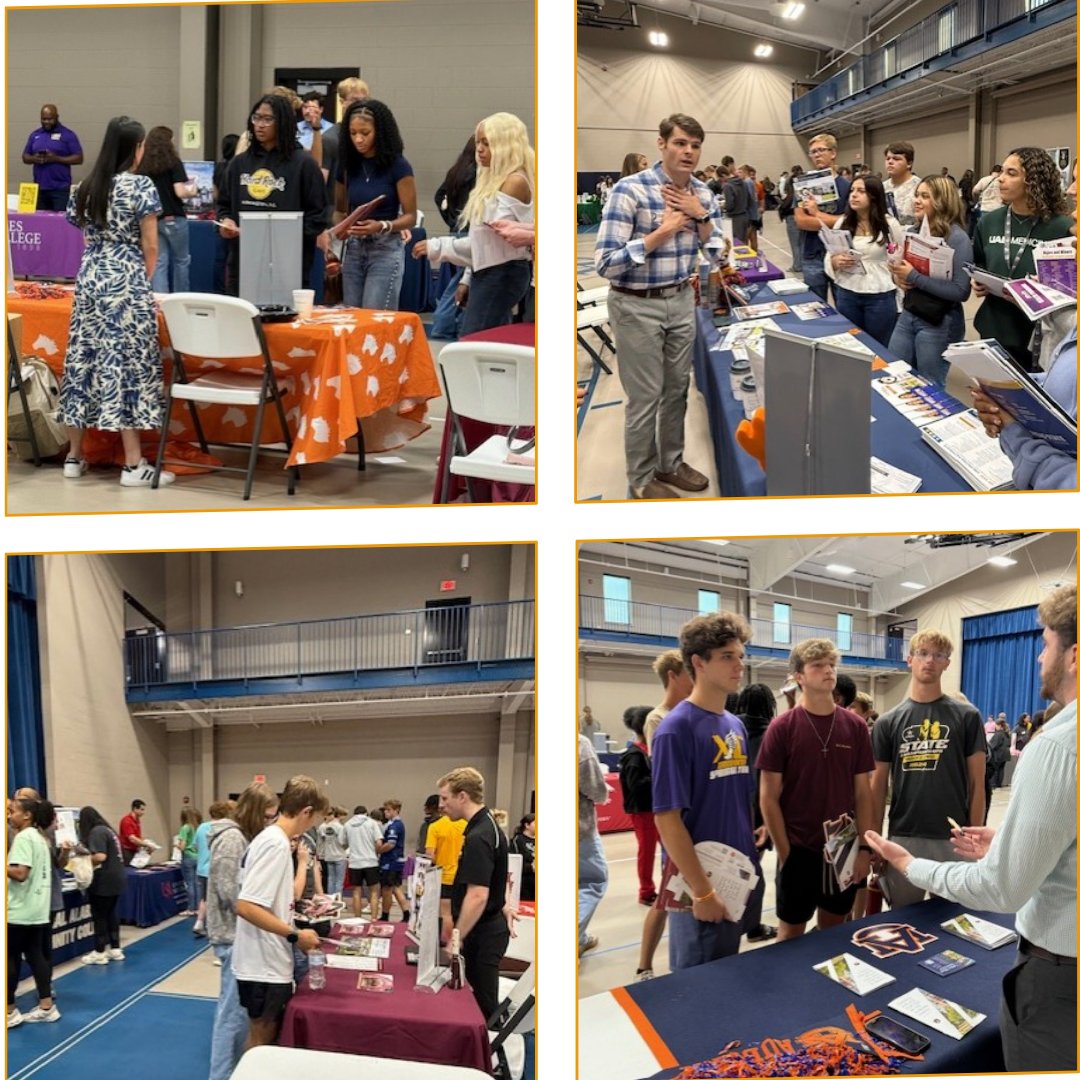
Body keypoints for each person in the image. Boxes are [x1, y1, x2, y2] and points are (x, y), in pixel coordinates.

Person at [866, 584, 1076, 1072]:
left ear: (1072, 656)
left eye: (1045, 644)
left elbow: (1003, 888)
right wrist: (1006, 839)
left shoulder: (1056, 745)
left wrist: (912, 865)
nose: (1039, 657)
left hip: (1061, 975)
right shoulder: (892, 721)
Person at [593, 113, 721, 499]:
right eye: (680, 143)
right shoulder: (630, 191)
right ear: (661, 143)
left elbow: (713, 250)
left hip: (681, 299)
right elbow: (605, 262)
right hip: (637, 305)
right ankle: (642, 477)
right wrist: (660, 233)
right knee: (646, 396)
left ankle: (670, 463)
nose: (688, 152)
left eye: (695, 145)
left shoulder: (703, 193)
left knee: (677, 390)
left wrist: (699, 216)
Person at [57, 115, 173, 488]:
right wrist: (142, 279)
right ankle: (134, 464)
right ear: (134, 148)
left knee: (83, 360)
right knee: (126, 364)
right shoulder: (141, 187)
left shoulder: (85, 187)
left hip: (90, 278)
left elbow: (84, 233)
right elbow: (151, 246)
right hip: (126, 279)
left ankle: (74, 458)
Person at [651, 612, 764, 970]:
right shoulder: (675, 729)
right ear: (698, 662)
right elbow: (667, 820)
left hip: (736, 877)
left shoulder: (734, 725)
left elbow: (737, 797)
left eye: (741, 656)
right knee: (695, 985)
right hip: (701, 884)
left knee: (728, 975)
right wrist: (702, 892)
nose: (739, 666)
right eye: (727, 657)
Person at [757, 638, 875, 940]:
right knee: (790, 933)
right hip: (798, 848)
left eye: (832, 665)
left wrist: (864, 848)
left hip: (842, 846)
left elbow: (863, 793)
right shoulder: (781, 727)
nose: (828, 671)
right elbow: (768, 797)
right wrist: (786, 855)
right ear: (799, 676)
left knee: (834, 931)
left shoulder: (856, 727)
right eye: (818, 665)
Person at [869, 630, 986, 908]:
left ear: (947, 663)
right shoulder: (887, 722)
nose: (929, 661)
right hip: (903, 836)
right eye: (922, 653)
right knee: (903, 921)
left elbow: (977, 784)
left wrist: (972, 838)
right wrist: (875, 842)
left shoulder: (967, 717)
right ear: (909, 659)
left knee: (951, 922)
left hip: (952, 839)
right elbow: (877, 789)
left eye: (938, 655)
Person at [414, 112, 535, 335]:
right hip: (490, 270)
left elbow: (489, 245)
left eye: (487, 144)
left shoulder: (514, 182)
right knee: (484, 340)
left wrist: (438, 247)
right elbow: (485, 245)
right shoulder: (494, 180)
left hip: (502, 273)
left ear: (505, 145)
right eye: (478, 142)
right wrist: (468, 278)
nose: (479, 149)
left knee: (474, 339)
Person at [233, 775, 327, 1051]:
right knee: (262, 1042)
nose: (312, 825)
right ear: (306, 812)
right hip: (263, 966)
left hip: (268, 962)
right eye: (314, 819)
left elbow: (277, 899)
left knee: (266, 1040)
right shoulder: (274, 843)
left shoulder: (274, 840)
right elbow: (246, 906)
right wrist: (295, 936)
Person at [972, 147, 1072, 370]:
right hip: (993, 327)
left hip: (1037, 338)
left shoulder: (1062, 228)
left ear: (1034, 181)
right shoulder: (989, 222)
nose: (1000, 179)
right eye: (1002, 172)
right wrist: (978, 281)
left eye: (1011, 173)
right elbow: (979, 262)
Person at [217, 93, 328, 293]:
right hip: (244, 263)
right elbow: (224, 205)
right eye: (256, 118)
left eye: (267, 119)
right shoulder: (239, 163)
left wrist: (283, 235)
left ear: (283, 123)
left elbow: (318, 217)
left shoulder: (304, 164)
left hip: (288, 266)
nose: (259, 124)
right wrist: (225, 222)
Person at [206, 783, 279, 1080]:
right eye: (266, 817)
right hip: (232, 937)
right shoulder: (232, 841)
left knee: (235, 1014)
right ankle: (222, 1075)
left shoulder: (242, 838)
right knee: (231, 1016)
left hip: (238, 935)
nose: (269, 823)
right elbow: (231, 895)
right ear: (252, 813)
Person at [634, 648, 694, 980]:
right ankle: (644, 964)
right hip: (676, 821)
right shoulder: (660, 719)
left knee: (674, 899)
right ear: (673, 675)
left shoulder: (691, 712)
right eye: (689, 673)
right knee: (667, 900)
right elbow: (669, 768)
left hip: (692, 821)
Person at [326, 99, 416, 311]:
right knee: (352, 316)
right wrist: (343, 226)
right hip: (354, 248)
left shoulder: (398, 165)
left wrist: (382, 225)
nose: (358, 139)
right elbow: (339, 211)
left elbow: (410, 217)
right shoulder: (347, 165)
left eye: (365, 133)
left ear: (380, 132)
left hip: (385, 247)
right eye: (352, 133)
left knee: (375, 317)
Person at [438, 766, 511, 1021]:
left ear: (462, 796)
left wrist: (455, 937)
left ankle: (491, 1051)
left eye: (445, 798)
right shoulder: (487, 826)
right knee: (480, 999)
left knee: (483, 1005)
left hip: (484, 935)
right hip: (487, 927)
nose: (441, 805)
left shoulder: (480, 836)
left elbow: (478, 895)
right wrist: (503, 904)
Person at [887, 175, 973, 387]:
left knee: (930, 385)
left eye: (925, 196)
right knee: (894, 373)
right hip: (910, 313)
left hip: (939, 323)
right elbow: (906, 274)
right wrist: (899, 277)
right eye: (917, 195)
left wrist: (914, 276)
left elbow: (961, 291)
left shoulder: (957, 238)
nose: (917, 200)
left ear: (942, 201)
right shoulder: (914, 233)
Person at [824, 174, 905, 345]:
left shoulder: (889, 225)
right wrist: (835, 262)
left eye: (861, 191)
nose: (853, 195)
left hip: (880, 296)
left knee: (879, 345)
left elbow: (898, 256)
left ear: (874, 196)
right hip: (847, 293)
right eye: (852, 190)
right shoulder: (843, 223)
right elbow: (830, 255)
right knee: (852, 343)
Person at [7, 795, 57, 1027]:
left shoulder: (24, 838)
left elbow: (20, 873)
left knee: (9, 959)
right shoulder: (40, 838)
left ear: (27, 815)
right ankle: (47, 1006)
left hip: (19, 911)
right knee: (36, 957)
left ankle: (9, 1011)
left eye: (13, 811)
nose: (9, 815)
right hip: (37, 910)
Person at [734, 683, 779, 942]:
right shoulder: (771, 732)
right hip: (761, 810)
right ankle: (752, 926)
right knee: (752, 872)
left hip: (732, 809)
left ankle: (743, 923)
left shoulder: (730, 727)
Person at [136, 125, 197, 293]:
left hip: (152, 219)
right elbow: (180, 191)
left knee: (159, 261)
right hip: (173, 216)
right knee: (181, 260)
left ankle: (160, 302)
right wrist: (193, 190)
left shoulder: (142, 166)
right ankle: (181, 299)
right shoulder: (173, 162)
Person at [429, 137, 479, 339]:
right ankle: (444, 324)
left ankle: (450, 323)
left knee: (460, 280)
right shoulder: (478, 173)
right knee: (461, 281)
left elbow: (439, 195)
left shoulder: (456, 170)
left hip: (457, 229)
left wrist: (450, 218)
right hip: (469, 230)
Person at [795, 132, 851, 302]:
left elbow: (850, 222)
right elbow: (801, 221)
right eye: (813, 152)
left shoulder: (847, 186)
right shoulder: (802, 185)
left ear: (833, 153)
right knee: (814, 307)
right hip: (812, 255)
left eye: (821, 150)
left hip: (839, 255)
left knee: (844, 306)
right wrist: (836, 220)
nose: (816, 155)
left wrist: (817, 215)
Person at [77, 805, 127, 964]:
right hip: (117, 877)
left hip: (104, 879)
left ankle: (99, 951)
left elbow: (100, 857)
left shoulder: (96, 832)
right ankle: (115, 948)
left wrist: (81, 861)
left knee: (99, 916)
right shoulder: (108, 830)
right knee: (111, 913)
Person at [620, 706, 658, 905]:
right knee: (647, 851)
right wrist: (658, 776)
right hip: (643, 811)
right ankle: (646, 891)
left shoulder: (651, 750)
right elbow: (636, 786)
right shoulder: (634, 756)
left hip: (657, 808)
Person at [578, 733, 609, 957]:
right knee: (592, 882)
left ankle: (580, 937)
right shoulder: (579, 743)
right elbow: (595, 788)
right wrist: (603, 793)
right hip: (580, 830)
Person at [22, 103, 83, 211]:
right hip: (39, 188)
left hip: (60, 189)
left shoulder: (67, 135)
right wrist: (34, 158)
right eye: (43, 119)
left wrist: (56, 159)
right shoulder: (35, 135)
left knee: (60, 223)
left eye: (50, 119)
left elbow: (79, 158)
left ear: (57, 117)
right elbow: (25, 157)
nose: (46, 122)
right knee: (39, 223)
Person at [425, 800, 467, 926]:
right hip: (462, 876)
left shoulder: (434, 827)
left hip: (443, 876)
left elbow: (429, 855)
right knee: (458, 911)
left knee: (445, 913)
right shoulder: (466, 825)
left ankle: (447, 942)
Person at [194, 801, 230, 936]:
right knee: (216, 899)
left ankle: (199, 921)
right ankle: (212, 925)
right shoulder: (223, 829)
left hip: (201, 868)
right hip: (215, 869)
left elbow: (195, 846)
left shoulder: (201, 827)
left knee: (204, 898)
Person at [344, 804, 384, 918]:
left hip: (354, 862)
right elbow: (379, 842)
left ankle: (357, 919)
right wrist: (375, 853)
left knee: (356, 892)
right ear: (366, 813)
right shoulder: (372, 823)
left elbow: (342, 842)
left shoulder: (347, 824)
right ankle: (374, 919)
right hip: (371, 862)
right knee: (374, 892)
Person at [376, 798, 410, 922]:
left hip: (390, 862)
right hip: (396, 861)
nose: (385, 812)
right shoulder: (397, 824)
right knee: (396, 888)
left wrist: (378, 850)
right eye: (385, 809)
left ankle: (385, 915)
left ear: (396, 810)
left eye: (388, 810)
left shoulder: (394, 826)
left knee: (386, 890)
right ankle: (406, 913)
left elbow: (391, 843)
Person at [881, 141, 920, 226]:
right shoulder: (881, 187)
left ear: (909, 163)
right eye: (888, 158)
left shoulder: (919, 187)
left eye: (896, 159)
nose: (890, 162)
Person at [177, 807, 201, 916]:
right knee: (197, 884)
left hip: (188, 857)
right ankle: (198, 908)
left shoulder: (185, 828)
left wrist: (176, 845)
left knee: (190, 884)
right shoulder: (197, 827)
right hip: (197, 857)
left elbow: (182, 846)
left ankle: (191, 908)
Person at [509, 814, 536, 903]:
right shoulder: (517, 840)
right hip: (524, 884)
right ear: (527, 825)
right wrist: (531, 867)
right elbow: (514, 863)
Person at [118, 798, 151, 864]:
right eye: (142, 810)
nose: (143, 812)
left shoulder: (137, 821)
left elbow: (137, 836)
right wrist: (146, 844)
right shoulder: (127, 820)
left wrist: (146, 841)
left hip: (135, 850)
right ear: (135, 809)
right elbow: (132, 838)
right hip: (127, 851)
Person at [988, 719, 1011, 788]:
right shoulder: (1007, 734)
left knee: (996, 769)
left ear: (999, 726)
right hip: (1005, 754)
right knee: (1001, 770)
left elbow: (993, 745)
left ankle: (994, 784)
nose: (995, 727)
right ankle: (999, 784)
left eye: (996, 726)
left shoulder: (998, 734)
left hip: (999, 754)